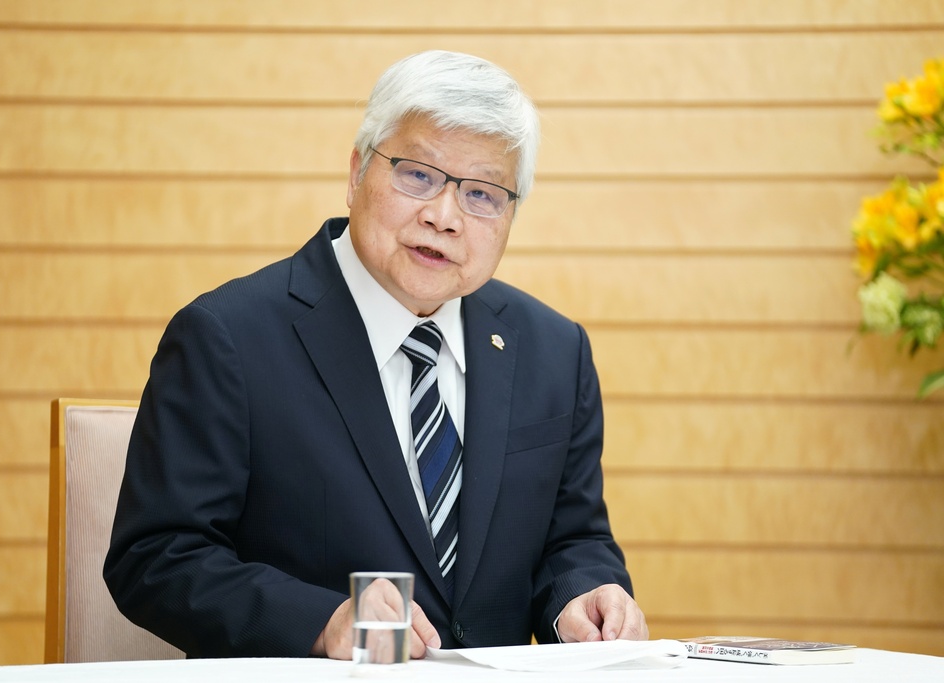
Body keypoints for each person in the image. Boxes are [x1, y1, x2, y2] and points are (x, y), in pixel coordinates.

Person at [104, 49, 648, 660]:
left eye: (482, 194)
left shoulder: (554, 349)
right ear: (358, 170)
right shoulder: (226, 337)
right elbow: (154, 558)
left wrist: (583, 592)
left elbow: (572, 540)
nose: (443, 217)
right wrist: (321, 620)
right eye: (417, 174)